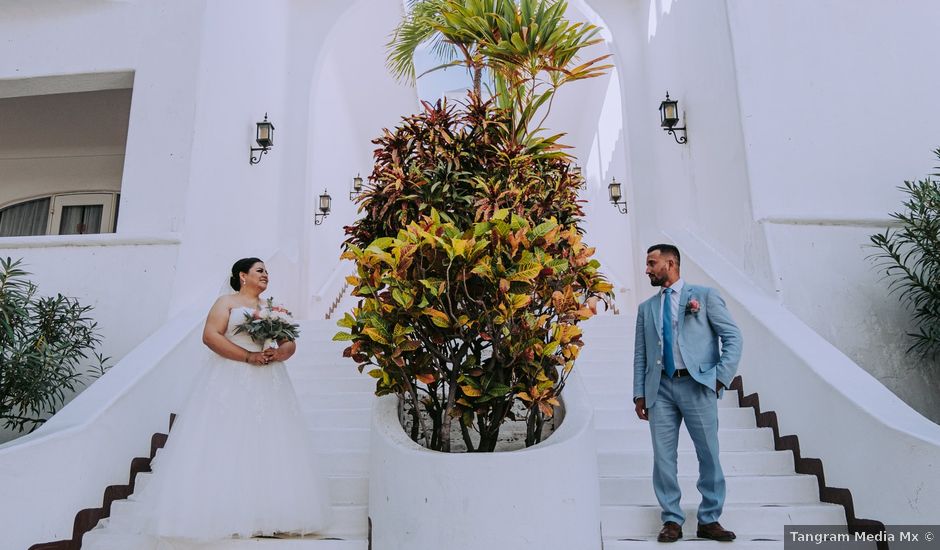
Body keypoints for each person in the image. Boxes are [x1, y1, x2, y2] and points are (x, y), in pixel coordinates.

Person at [111, 258, 330, 543]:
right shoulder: (225, 303)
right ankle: (217, 512)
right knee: (225, 439)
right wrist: (249, 356)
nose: (265, 275)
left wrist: (279, 353)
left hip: (270, 380)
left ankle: (269, 513)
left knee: (270, 441)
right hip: (231, 376)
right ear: (242, 275)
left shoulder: (273, 309)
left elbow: (289, 342)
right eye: (259, 270)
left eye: (266, 271)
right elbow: (210, 336)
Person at [632, 244, 742, 543]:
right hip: (661, 389)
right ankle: (671, 519)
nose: (647, 270)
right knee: (663, 457)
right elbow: (641, 354)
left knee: (709, 453)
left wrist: (719, 378)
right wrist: (639, 394)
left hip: (697, 385)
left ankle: (709, 519)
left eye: (652, 263)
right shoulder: (646, 309)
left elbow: (733, 337)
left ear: (671, 262)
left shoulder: (704, 297)